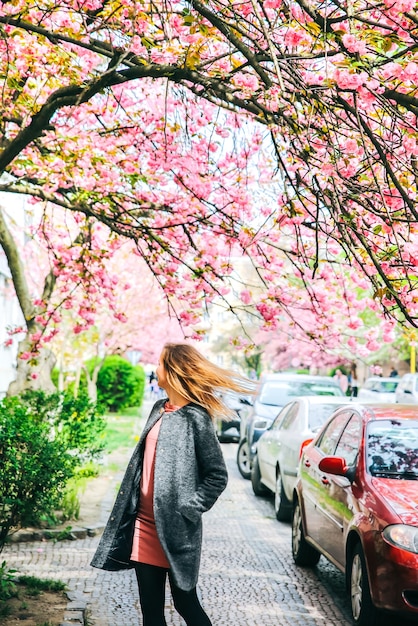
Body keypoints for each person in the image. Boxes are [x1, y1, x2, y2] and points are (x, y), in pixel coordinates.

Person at [91, 342, 253, 626]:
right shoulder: (157, 408)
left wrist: (188, 509)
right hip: (143, 525)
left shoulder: (196, 417)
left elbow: (217, 475)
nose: (155, 368)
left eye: (160, 363)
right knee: (151, 614)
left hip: (177, 531)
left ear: (173, 371)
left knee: (186, 604)